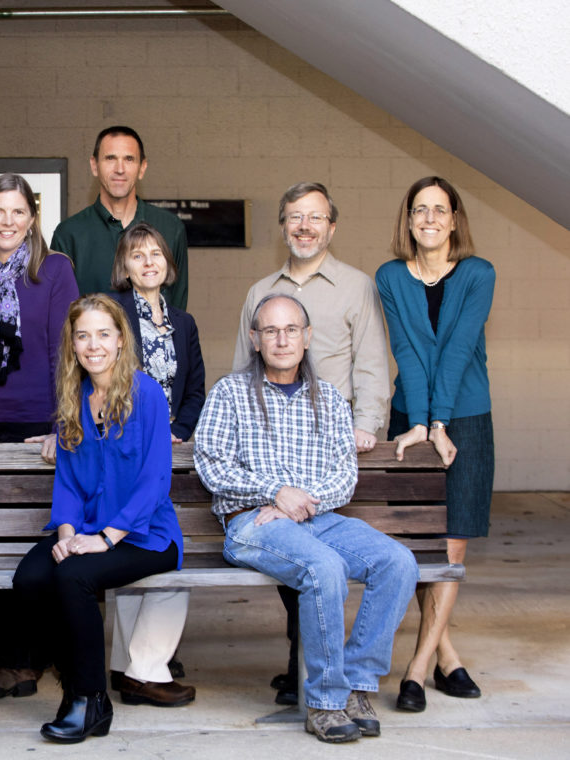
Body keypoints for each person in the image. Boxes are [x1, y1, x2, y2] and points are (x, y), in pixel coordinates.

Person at [194, 293, 418, 744]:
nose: (282, 340)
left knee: (398, 562)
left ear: (307, 337)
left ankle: (355, 685)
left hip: (318, 518)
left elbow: (344, 474)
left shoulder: (330, 398)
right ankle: (324, 702)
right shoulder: (230, 393)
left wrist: (299, 503)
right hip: (252, 523)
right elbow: (210, 463)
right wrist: (275, 493)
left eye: (291, 330)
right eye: (271, 331)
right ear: (255, 339)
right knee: (324, 568)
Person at [232, 181, 390, 705]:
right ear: (282, 227)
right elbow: (241, 371)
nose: (305, 226)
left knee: (334, 561)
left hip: (328, 449)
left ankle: (324, 673)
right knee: (305, 564)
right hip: (269, 457)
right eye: (295, 217)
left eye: (315, 217)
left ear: (332, 226)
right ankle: (310, 669)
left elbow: (371, 360)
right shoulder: (260, 290)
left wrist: (366, 423)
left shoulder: (356, 286)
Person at [14, 294, 184, 744]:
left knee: (74, 578)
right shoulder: (75, 396)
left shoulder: (147, 393)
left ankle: (88, 700)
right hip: (88, 527)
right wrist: (68, 534)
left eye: (103, 334)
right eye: (83, 336)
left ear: (121, 339)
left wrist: (105, 539)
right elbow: (69, 481)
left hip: (146, 535)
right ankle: (75, 682)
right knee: (30, 578)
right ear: (72, 343)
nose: (93, 345)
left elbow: (154, 481)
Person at [0, 172, 79, 701]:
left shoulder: (55, 270)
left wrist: (61, 422)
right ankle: (10, 661)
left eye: (18, 211)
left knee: (35, 539)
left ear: (32, 219)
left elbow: (66, 350)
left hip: (37, 422)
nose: (8, 221)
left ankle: (35, 657)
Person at [376, 176, 495, 713]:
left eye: (439, 210)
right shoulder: (390, 276)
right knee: (415, 544)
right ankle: (448, 657)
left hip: (465, 417)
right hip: (409, 418)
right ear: (408, 220)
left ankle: (418, 670)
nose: (429, 218)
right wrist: (421, 423)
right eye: (419, 209)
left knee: (450, 548)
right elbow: (406, 350)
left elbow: (457, 349)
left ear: (454, 219)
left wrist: (441, 422)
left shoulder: (478, 273)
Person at [104, 222, 204, 706]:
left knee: (153, 545)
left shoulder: (184, 323)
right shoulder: (113, 313)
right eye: (137, 255)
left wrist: (178, 428)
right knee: (149, 545)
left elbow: (196, 388)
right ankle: (140, 668)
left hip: (169, 450)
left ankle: (131, 666)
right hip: (122, 447)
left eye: (156, 254)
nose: (148, 262)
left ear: (169, 263)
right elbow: (96, 376)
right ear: (124, 267)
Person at [50, 125, 188, 309]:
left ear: (142, 168)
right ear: (94, 165)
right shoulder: (69, 234)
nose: (120, 169)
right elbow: (60, 313)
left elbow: (177, 309)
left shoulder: (170, 228)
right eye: (110, 158)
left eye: (129, 159)